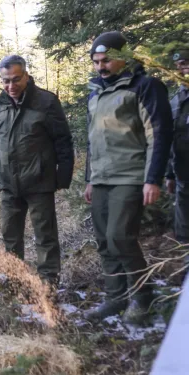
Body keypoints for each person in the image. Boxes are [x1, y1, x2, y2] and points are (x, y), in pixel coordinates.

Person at [83, 31, 174, 324]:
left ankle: (142, 297)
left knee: (120, 236)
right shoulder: (96, 93)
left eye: (107, 60)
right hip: (101, 178)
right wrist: (89, 178)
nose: (101, 67)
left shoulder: (145, 87)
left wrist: (153, 178)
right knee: (103, 240)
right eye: (96, 62)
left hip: (131, 176)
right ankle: (115, 298)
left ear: (125, 56)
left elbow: (158, 133)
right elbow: (91, 139)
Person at [0, 55, 74, 287]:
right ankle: (15, 277)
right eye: (5, 81)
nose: (10, 86)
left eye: (16, 79)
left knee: (45, 235)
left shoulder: (46, 102)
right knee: (10, 234)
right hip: (8, 182)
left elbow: (63, 141)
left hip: (40, 180)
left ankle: (48, 281)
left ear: (26, 75)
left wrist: (62, 177)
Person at [165, 49, 189, 254]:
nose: (184, 68)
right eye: (180, 65)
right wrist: (169, 174)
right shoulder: (175, 101)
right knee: (184, 235)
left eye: (187, 63)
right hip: (183, 178)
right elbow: (170, 139)